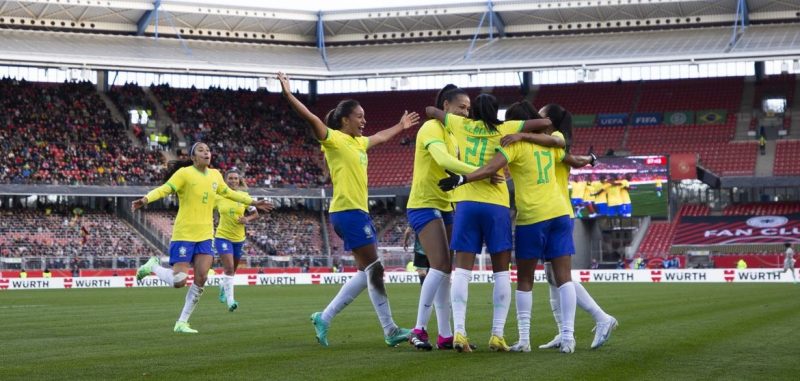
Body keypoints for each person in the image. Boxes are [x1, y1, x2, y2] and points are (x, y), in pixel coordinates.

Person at [278, 72, 418, 348]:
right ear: (345, 120)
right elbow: (312, 118)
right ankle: (389, 330)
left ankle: (324, 317)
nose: (364, 121)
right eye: (360, 116)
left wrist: (401, 126)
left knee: (367, 271)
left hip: (357, 212)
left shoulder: (358, 142)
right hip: (347, 211)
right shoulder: (334, 140)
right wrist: (288, 94)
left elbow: (380, 136)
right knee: (376, 269)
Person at [426, 93, 552, 352]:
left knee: (461, 270)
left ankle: (459, 332)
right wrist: (521, 134)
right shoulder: (506, 127)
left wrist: (446, 113)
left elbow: (430, 110)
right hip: (496, 205)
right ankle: (497, 335)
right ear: (498, 112)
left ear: (472, 112)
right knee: (501, 271)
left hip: (466, 202)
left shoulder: (460, 124)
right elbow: (544, 122)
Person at [496, 101, 615, 352]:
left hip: (537, 213)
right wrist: (592, 159)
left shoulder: (539, 141)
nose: (538, 117)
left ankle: (599, 318)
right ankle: (565, 334)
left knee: (546, 278)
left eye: (542, 115)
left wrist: (518, 134)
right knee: (556, 279)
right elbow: (576, 160)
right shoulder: (554, 144)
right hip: (560, 211)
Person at [131, 142, 273, 334]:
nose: (206, 152)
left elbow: (230, 193)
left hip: (206, 236)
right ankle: (153, 267)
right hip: (185, 234)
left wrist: (254, 201)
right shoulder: (184, 174)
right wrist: (146, 199)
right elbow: (165, 188)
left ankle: (182, 322)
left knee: (202, 277)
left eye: (208, 150)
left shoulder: (215, 175)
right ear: (193, 157)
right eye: (201, 150)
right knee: (179, 281)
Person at [406, 84, 495, 351]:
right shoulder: (431, 128)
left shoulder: (454, 132)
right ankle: (419, 329)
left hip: (447, 204)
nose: (466, 113)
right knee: (441, 265)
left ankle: (445, 334)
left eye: (468, 109)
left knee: (445, 271)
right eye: (461, 107)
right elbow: (443, 159)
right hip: (424, 203)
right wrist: (482, 171)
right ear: (446, 106)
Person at [214, 169, 260, 312]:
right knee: (228, 268)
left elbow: (255, 213)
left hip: (239, 239)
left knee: (232, 271)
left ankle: (223, 287)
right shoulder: (218, 196)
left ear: (239, 180)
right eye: (230, 178)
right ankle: (230, 301)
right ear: (225, 180)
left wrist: (247, 219)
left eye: (235, 178)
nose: (233, 181)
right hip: (222, 237)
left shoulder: (244, 196)